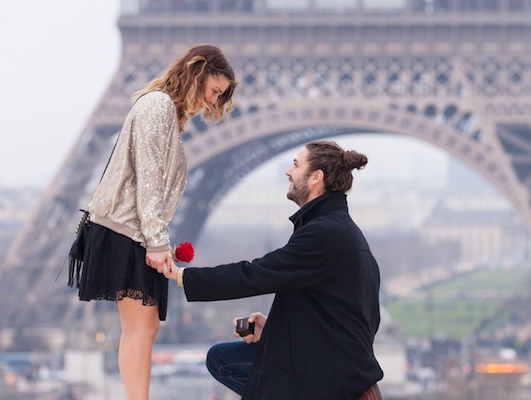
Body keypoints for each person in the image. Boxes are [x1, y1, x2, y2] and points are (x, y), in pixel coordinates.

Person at [68, 44, 237, 400]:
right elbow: (148, 177)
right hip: (128, 230)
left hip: (132, 229)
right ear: (198, 71)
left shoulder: (163, 110)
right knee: (141, 329)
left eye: (220, 96)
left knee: (141, 329)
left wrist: (156, 238)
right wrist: (158, 242)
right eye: (214, 90)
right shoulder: (157, 105)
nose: (213, 100)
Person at [159, 140, 384, 399]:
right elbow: (339, 314)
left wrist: (182, 276)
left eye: (296, 165)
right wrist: (275, 329)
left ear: (315, 178)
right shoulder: (341, 231)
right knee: (222, 358)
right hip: (331, 365)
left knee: (234, 366)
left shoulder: (324, 234)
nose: (288, 171)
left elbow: (255, 274)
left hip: (326, 374)